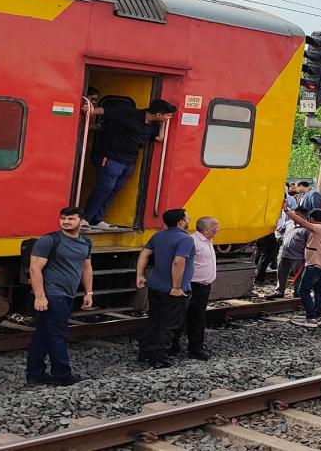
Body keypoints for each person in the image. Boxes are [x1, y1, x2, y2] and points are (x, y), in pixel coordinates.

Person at [82, 99, 176, 229]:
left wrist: (162, 124)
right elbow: (103, 111)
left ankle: (96, 219)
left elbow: (160, 138)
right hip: (111, 157)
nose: (169, 118)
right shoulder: (128, 113)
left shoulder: (153, 126)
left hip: (129, 161)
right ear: (158, 115)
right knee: (105, 188)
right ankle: (85, 218)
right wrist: (90, 110)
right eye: (167, 116)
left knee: (114, 190)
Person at [26, 206, 93, 386]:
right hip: (53, 295)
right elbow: (34, 268)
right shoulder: (49, 240)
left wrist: (88, 292)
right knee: (58, 335)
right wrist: (40, 296)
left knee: (43, 335)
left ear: (81, 221)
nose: (66, 222)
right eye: (63, 218)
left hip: (68, 294)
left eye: (71, 219)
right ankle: (62, 376)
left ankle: (35, 374)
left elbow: (86, 267)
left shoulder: (85, 242)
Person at [136, 208, 195, 369]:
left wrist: (140, 275)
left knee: (154, 320)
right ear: (181, 222)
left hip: (155, 286)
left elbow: (144, 254)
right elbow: (178, 262)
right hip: (172, 289)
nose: (189, 220)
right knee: (169, 324)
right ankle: (159, 358)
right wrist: (176, 287)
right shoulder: (185, 239)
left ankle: (145, 353)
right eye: (187, 217)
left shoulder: (158, 236)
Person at [283, 208, 321, 328]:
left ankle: (311, 317)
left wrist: (287, 210)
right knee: (319, 291)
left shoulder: (319, 228)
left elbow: (303, 223)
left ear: (312, 219)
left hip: (314, 264)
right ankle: (317, 315)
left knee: (303, 290)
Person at [170, 216, 219, 360]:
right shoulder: (192, 241)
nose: (217, 230)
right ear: (206, 229)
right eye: (215, 228)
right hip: (193, 285)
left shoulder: (207, 240)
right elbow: (181, 262)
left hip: (203, 286)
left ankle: (194, 348)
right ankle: (175, 347)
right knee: (183, 317)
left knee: (198, 318)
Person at [267, 214, 306, 300]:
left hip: (298, 256)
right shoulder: (288, 223)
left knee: (298, 276)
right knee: (281, 273)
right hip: (285, 254)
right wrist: (280, 237)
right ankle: (279, 291)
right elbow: (278, 231)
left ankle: (297, 292)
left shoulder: (306, 227)